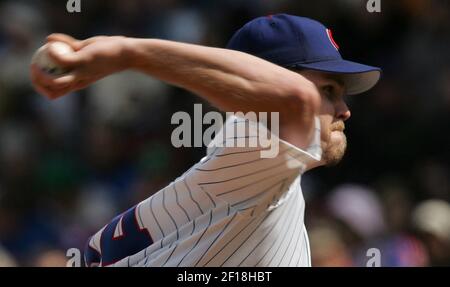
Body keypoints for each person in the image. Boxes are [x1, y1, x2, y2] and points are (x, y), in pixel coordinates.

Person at [30, 14, 381, 267]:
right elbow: (294, 100)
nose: (344, 110)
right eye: (330, 90)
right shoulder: (259, 164)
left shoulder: (223, 181)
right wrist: (127, 54)